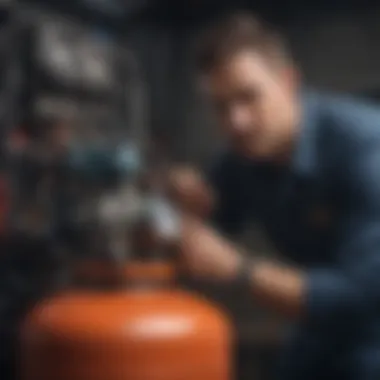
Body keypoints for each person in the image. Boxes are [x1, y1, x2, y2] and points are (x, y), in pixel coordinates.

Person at [167, 12, 380, 380]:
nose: (237, 121)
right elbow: (216, 217)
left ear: (288, 81)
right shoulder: (245, 155)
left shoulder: (365, 148)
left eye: (249, 97)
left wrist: (239, 269)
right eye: (221, 106)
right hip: (321, 329)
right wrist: (183, 198)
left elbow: (357, 298)